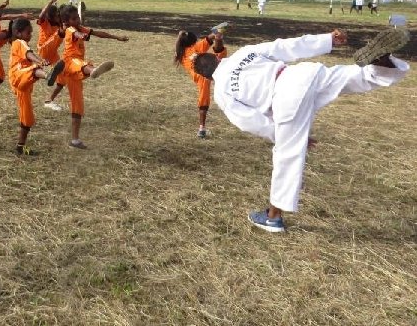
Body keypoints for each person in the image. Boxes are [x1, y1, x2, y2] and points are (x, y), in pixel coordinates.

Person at [193, 28, 410, 233]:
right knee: (356, 76)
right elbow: (285, 46)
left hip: (285, 100)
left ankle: (273, 217)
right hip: (303, 74)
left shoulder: (222, 92)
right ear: (218, 58)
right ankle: (381, 63)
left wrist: (286, 137)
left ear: (207, 78)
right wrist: (327, 39)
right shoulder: (243, 53)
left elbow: (249, 122)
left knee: (286, 156)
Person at [54, 4, 129, 149]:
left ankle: (75, 140)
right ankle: (93, 70)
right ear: (67, 21)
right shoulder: (71, 30)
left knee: (78, 106)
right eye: (75, 18)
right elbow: (76, 35)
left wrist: (117, 37)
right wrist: (81, 35)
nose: (78, 20)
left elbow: (99, 33)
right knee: (82, 64)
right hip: (69, 64)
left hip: (75, 74)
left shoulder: (80, 28)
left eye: (78, 17)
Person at [7, 18, 65, 155]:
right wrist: (41, 60)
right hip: (17, 76)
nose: (31, 35)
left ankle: (20, 147)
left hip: (24, 86)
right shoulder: (18, 42)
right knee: (34, 68)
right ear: (18, 33)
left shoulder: (20, 41)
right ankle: (48, 76)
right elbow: (29, 54)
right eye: (28, 32)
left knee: (28, 120)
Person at [174, 25, 228, 138]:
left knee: (203, 101)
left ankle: (202, 128)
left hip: (202, 75)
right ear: (193, 41)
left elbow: (208, 39)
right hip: (213, 68)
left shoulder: (181, 54)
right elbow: (209, 38)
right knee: (219, 53)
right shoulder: (196, 48)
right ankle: (219, 36)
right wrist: (217, 32)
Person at [36, 0, 66, 111]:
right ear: (52, 16)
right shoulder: (45, 23)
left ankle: (49, 100)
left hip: (53, 52)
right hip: (44, 49)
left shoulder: (60, 24)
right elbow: (41, 15)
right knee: (59, 33)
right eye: (57, 15)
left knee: (63, 80)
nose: (59, 17)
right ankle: (49, 73)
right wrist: (51, 1)